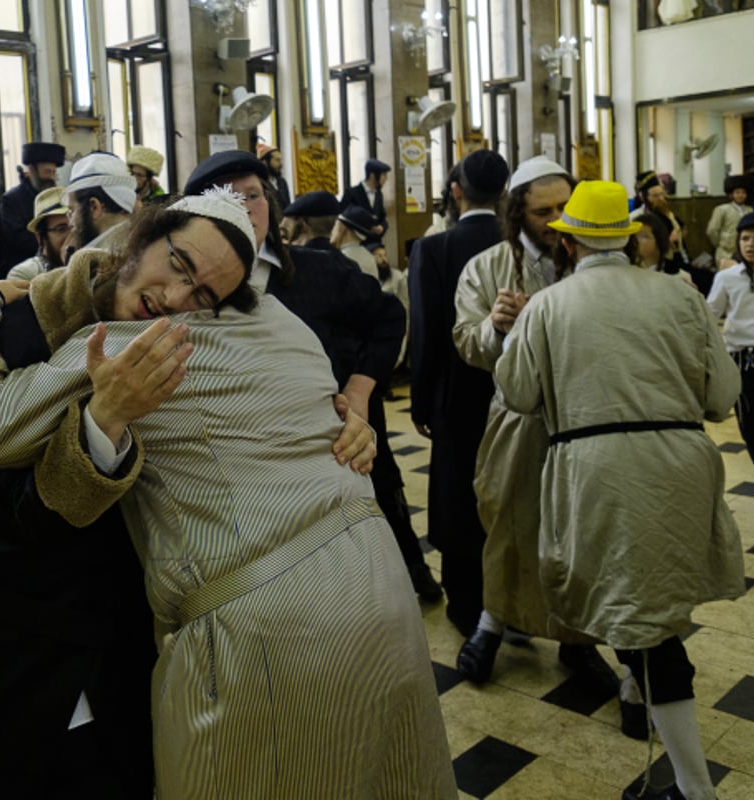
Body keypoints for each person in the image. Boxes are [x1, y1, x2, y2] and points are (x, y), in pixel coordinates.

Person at [0, 189, 454, 798]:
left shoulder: (137, 343)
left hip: (268, 622)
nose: (174, 300)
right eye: (178, 266)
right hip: (379, 585)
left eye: (202, 295)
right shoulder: (290, 328)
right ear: (135, 238)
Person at [496, 179, 743, 800]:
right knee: (652, 615)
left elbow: (517, 395)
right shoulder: (680, 295)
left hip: (599, 467)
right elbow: (721, 399)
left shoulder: (549, 305)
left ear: (569, 239)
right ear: (630, 237)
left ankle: (693, 788)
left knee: (639, 623)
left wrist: (513, 330)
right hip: (679, 461)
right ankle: (683, 768)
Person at [182, 150, 442, 603]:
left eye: (254, 195)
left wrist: (360, 391)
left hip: (334, 453)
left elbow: (387, 318)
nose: (245, 209)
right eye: (227, 197)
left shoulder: (316, 272)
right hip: (245, 471)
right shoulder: (186, 292)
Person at [451, 156, 622, 713]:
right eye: (541, 211)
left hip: (586, 417)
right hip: (518, 420)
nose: (554, 221)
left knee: (580, 531)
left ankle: (577, 640)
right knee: (507, 522)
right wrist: (497, 328)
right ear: (516, 213)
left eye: (563, 209)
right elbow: (466, 342)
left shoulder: (595, 262)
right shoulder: (487, 267)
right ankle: (492, 623)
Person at [408, 148, 509, 636]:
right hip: (515, 388)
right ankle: (514, 595)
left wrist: (423, 401)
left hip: (456, 390)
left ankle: (466, 603)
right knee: (514, 485)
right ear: (505, 192)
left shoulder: (435, 248)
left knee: (457, 489)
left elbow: (426, 333)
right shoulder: (520, 244)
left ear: (455, 191)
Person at [707, 210, 754, 481]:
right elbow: (709, 316)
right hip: (743, 361)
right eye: (746, 238)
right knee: (751, 430)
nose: (751, 244)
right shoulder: (728, 278)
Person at [0, 141, 65, 274]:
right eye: (47, 172)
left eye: (53, 172)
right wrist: (51, 241)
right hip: (24, 267)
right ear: (32, 170)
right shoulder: (11, 200)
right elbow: (17, 239)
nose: (51, 177)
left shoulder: (58, 196)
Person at [63, 152, 137, 256]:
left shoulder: (103, 261)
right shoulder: (140, 243)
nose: (70, 223)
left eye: (72, 211)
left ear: (94, 207)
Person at [6, 186, 70, 281]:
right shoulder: (23, 274)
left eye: (74, 227)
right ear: (39, 237)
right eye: (61, 229)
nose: (71, 235)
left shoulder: (88, 263)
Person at [636, 211, 697, 289]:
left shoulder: (679, 276)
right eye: (635, 236)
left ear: (660, 240)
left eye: (645, 236)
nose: (637, 241)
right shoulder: (628, 272)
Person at [706, 175, 754, 269]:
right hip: (725, 252)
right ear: (731, 194)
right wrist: (720, 244)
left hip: (744, 251)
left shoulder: (750, 210)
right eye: (737, 192)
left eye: (743, 192)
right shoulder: (722, 209)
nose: (741, 195)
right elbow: (712, 230)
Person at [340, 158, 390, 241]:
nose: (385, 179)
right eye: (383, 175)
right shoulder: (352, 192)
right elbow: (344, 218)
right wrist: (368, 226)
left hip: (375, 243)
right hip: (357, 242)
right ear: (372, 175)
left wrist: (382, 227)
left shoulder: (379, 194)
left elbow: (382, 216)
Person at [331, 204, 381, 279]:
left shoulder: (339, 258)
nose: (332, 230)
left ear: (344, 228)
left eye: (336, 225)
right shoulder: (370, 258)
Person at [256, 143, 291, 210]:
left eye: (280, 160)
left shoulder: (282, 182)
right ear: (265, 162)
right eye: (277, 160)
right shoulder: (258, 183)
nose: (281, 165)